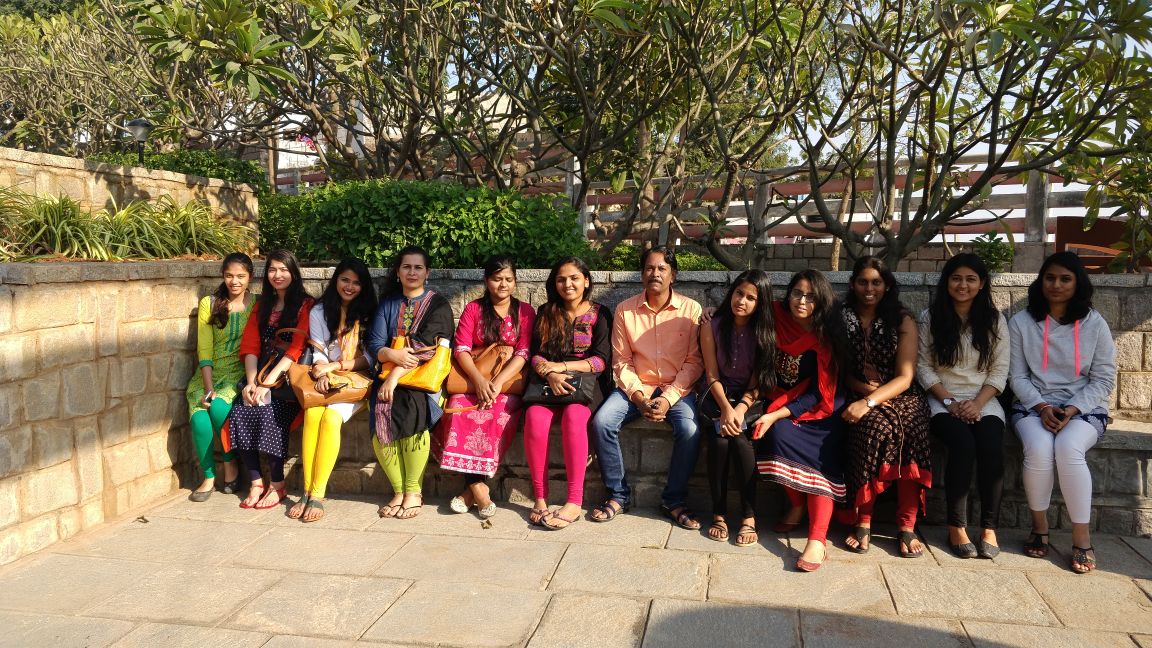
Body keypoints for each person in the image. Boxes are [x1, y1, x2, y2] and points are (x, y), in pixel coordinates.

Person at [1009, 251, 1116, 574]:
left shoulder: (1094, 323)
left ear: (1077, 283)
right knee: (1040, 449)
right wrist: (1041, 407)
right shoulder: (1021, 322)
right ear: (1041, 281)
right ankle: (1039, 528)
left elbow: (1104, 377)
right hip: (1032, 405)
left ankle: (1081, 539)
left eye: (1065, 279)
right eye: (1050, 278)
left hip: (1083, 407)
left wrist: (1071, 409)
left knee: (1068, 448)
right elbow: (1016, 376)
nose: (1056, 285)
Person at [590, 246, 704, 527]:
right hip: (635, 387)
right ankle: (618, 495)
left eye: (662, 268)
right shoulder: (625, 310)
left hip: (676, 390)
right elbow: (621, 361)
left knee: (690, 430)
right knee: (602, 422)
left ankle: (674, 500)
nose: (655, 273)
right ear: (641, 274)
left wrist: (667, 399)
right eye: (650, 268)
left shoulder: (691, 310)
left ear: (673, 275)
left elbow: (694, 363)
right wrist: (639, 397)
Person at [917, 253, 1009, 559]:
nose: (963, 285)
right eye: (957, 278)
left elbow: (999, 371)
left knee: (991, 448)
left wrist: (977, 403)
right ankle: (956, 526)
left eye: (971, 279)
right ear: (947, 282)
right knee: (962, 444)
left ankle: (988, 528)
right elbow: (924, 367)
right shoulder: (931, 318)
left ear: (982, 284)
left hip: (985, 400)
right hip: (941, 399)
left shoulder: (995, 321)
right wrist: (950, 402)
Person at [753, 270, 846, 571]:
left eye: (810, 296)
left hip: (820, 404)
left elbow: (821, 391)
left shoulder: (826, 334)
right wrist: (713, 313)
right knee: (773, 435)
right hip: (778, 397)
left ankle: (817, 540)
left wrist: (776, 413)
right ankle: (796, 503)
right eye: (797, 292)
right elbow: (741, 306)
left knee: (821, 458)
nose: (802, 301)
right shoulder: (775, 314)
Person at [840, 255, 932, 558]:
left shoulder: (901, 318)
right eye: (863, 282)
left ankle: (906, 524)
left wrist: (870, 401)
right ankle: (863, 520)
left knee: (909, 427)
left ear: (887, 285)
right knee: (874, 427)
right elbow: (838, 369)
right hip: (858, 390)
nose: (869, 288)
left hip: (900, 394)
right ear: (853, 284)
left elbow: (905, 377)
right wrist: (864, 393)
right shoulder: (840, 317)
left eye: (876, 282)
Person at [437, 255, 535, 518]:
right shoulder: (473, 309)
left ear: (515, 281)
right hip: (473, 379)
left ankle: (471, 491)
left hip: (506, 384)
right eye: (496, 278)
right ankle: (478, 488)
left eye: (508, 279)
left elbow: (524, 351)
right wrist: (480, 382)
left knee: (498, 413)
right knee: (458, 407)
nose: (502, 284)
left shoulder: (525, 312)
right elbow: (462, 348)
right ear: (486, 280)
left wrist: (497, 383)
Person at [523, 257, 612, 530]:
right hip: (548, 384)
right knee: (535, 420)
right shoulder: (546, 311)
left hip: (585, 386)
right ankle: (540, 498)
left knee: (575, 418)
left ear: (586, 281)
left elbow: (600, 361)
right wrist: (550, 373)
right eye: (561, 279)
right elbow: (535, 355)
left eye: (574, 278)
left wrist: (562, 366)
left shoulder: (600, 313)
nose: (568, 284)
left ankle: (574, 501)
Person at [288, 258, 378, 523]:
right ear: (336, 280)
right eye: (345, 280)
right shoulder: (319, 311)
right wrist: (320, 369)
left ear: (364, 286)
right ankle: (305, 490)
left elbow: (371, 358)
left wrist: (335, 366)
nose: (349, 287)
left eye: (356, 283)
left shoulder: (369, 313)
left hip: (357, 381)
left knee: (330, 419)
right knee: (313, 415)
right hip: (326, 376)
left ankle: (318, 493)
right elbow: (317, 351)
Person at [367, 246, 454, 520]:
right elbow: (374, 343)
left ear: (427, 272)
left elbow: (428, 347)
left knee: (411, 405)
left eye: (418, 267)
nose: (412, 272)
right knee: (381, 407)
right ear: (398, 271)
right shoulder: (389, 303)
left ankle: (413, 490)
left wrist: (394, 376)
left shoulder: (438, 304)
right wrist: (391, 355)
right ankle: (398, 490)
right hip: (386, 376)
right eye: (407, 267)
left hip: (424, 379)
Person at [229, 250, 313, 510]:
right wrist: (253, 382)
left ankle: (277, 484)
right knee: (239, 412)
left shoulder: (305, 304)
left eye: (284, 269)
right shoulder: (262, 305)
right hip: (261, 374)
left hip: (287, 382)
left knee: (269, 415)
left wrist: (268, 384)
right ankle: (256, 482)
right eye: (273, 270)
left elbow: (297, 347)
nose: (278, 275)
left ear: (293, 273)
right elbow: (251, 345)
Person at [699, 270, 775, 547]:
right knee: (719, 442)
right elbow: (711, 374)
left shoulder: (763, 333)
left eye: (751, 297)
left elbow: (757, 384)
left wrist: (740, 409)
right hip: (715, 395)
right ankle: (718, 513)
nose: (742, 301)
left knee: (742, 443)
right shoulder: (712, 325)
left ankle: (749, 516)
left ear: (760, 303)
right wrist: (726, 410)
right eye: (739, 293)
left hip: (748, 400)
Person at [186, 253, 254, 502]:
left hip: (238, 373)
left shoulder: (256, 303)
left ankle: (230, 463)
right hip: (207, 374)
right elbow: (204, 348)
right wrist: (207, 387)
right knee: (199, 418)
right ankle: (208, 476)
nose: (234, 281)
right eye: (229, 276)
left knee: (217, 408)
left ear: (250, 277)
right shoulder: (210, 303)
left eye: (240, 276)